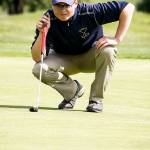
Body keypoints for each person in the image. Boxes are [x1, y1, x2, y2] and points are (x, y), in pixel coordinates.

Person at [31, 0, 135, 113]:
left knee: (109, 50)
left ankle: (96, 100)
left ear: (75, 3)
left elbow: (128, 8)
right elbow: (37, 58)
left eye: (66, 5)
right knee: (39, 68)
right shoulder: (47, 19)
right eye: (58, 5)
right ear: (52, 4)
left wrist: (117, 39)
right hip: (65, 61)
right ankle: (72, 91)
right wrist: (42, 33)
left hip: (91, 58)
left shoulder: (90, 12)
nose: (62, 9)